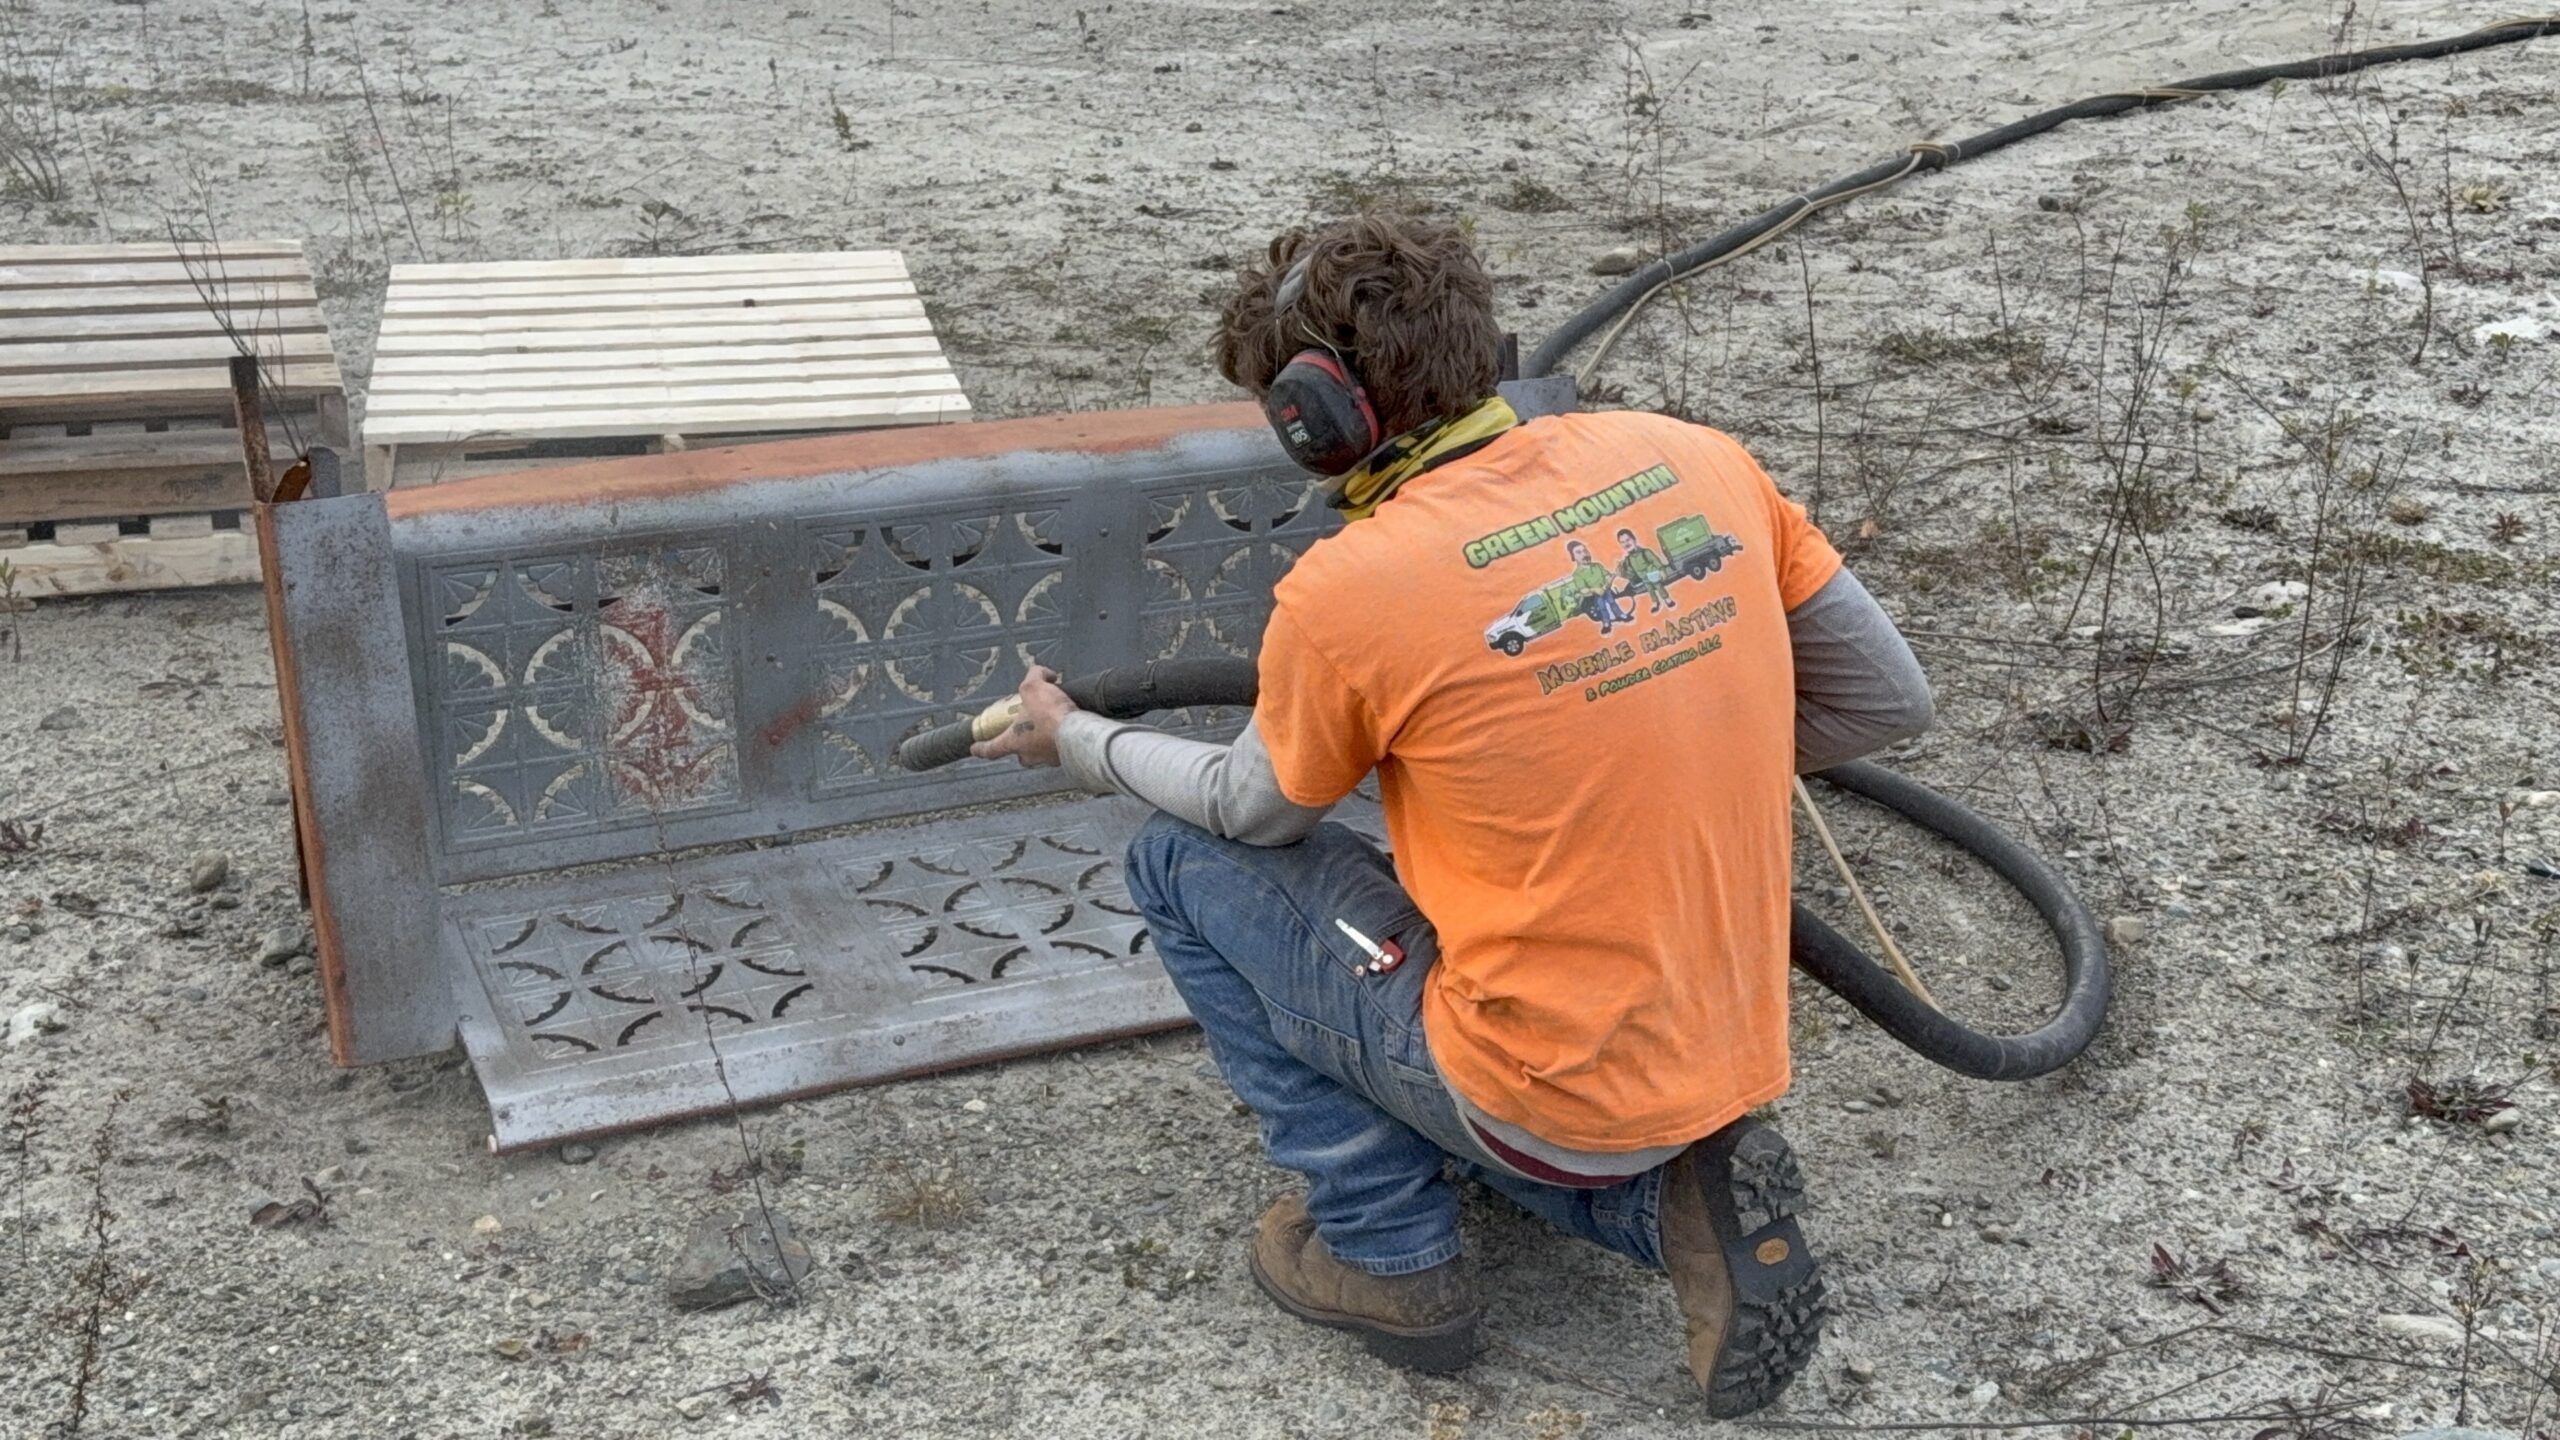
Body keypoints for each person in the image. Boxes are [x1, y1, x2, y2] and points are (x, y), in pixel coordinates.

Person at [972, 214, 1932, 1417]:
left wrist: (1080, 742)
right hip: (1726, 1056)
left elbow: (1247, 810)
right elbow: (1888, 698)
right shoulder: (1691, 457)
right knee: (1412, 900)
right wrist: (1634, 762)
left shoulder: (1349, 592)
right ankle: (1668, 1204)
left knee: (1179, 860)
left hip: (1530, 1088)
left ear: (1313, 418)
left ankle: (1383, 1253)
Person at [1564, 538, 1632, 633]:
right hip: (1597, 595)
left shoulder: (1598, 566)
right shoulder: (1577, 574)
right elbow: (1583, 590)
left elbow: (1607, 576)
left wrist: (1614, 575)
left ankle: (1621, 615)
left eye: (1585, 551)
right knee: (1602, 608)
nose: (1584, 554)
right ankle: (1607, 624)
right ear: (1573, 557)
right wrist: (1594, 589)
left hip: (1607, 591)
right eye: (1579, 552)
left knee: (1613, 603)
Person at [1616, 526, 1678, 614]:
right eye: (1622, 542)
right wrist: (1622, 573)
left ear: (1634, 539)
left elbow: (1655, 561)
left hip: (1653, 574)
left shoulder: (1645, 552)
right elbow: (1631, 574)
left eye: (1628, 540)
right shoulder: (1628, 560)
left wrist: (1661, 570)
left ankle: (1667, 600)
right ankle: (1656, 603)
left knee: (1659, 587)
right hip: (1644, 578)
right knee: (1650, 590)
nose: (1626, 543)